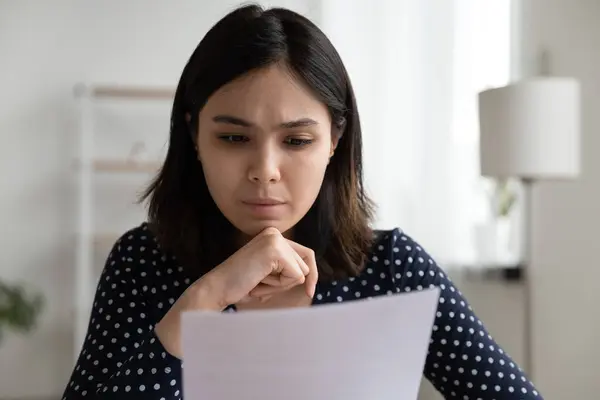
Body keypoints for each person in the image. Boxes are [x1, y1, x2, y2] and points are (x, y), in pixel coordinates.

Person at [61, 4, 543, 399]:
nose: (264, 169)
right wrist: (205, 299)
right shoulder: (141, 263)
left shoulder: (392, 269)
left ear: (335, 139)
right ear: (193, 133)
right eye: (233, 137)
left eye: (295, 141)